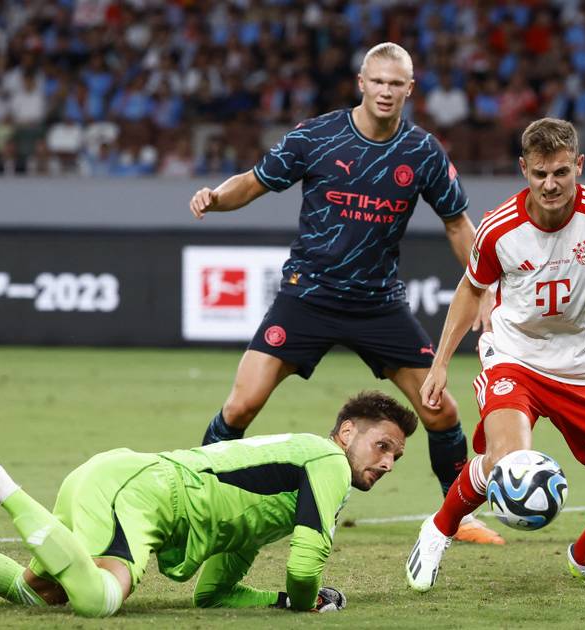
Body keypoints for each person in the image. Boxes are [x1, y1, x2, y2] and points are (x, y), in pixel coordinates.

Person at [188, 42, 501, 546]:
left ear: (409, 89)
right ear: (361, 83)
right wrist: (215, 198)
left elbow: (457, 224)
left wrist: (483, 285)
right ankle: (198, 495)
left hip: (378, 304)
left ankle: (457, 517)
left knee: (442, 412)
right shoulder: (317, 135)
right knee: (241, 405)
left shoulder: (422, 151)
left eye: (395, 84)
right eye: (377, 81)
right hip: (307, 295)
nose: (385, 91)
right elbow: (255, 181)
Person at [405, 118, 585, 593]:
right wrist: (440, 364)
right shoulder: (499, 228)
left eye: (561, 172)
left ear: (578, 165)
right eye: (540, 173)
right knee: (507, 461)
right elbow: (470, 289)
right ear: (524, 169)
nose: (550, 184)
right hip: (515, 358)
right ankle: (439, 528)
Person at [0, 391, 416, 616]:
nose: (388, 462)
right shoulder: (327, 462)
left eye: (396, 455)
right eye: (382, 445)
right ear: (347, 432)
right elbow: (306, 565)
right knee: (98, 602)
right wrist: (306, 603)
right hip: (146, 494)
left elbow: (213, 594)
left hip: (119, 479)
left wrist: (280, 601)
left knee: (36, 591)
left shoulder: (280, 491)